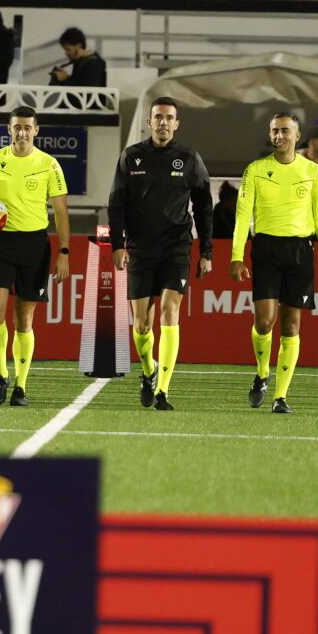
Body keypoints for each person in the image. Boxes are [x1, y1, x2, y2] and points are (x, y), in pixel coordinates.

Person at [107, 97, 214, 411]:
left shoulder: (189, 158)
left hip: (176, 247)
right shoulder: (131, 157)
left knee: (170, 311)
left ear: (176, 124)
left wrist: (206, 250)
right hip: (140, 248)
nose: (164, 122)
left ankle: (163, 391)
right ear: (149, 122)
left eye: (169, 118)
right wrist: (117, 245)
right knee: (141, 324)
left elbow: (205, 207)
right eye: (158, 117)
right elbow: (116, 205)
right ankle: (149, 371)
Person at [0, 106, 72, 408]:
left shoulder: (49, 165)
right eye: (17, 127)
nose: (22, 132)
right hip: (1, 244)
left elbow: (62, 213)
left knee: (24, 320)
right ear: (9, 129)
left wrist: (64, 252)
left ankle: (21, 386)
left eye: (28, 127)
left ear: (36, 130)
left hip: (35, 246)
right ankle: (1, 375)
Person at [231, 112, 318, 414]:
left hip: (301, 251)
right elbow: (241, 217)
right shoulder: (255, 170)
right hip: (265, 248)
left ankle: (280, 396)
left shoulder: (314, 173)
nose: (279, 136)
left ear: (297, 136)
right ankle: (262, 373)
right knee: (264, 321)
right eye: (275, 131)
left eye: (285, 131)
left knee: (292, 324)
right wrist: (237, 256)